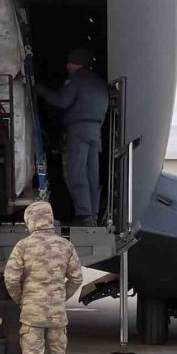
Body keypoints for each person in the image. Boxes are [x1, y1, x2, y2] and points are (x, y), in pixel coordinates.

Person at [3, 201, 83, 354]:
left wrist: (23, 299)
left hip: (31, 314)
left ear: (30, 220)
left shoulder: (23, 246)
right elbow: (76, 278)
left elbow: (11, 279)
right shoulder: (65, 246)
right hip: (57, 315)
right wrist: (60, 297)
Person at [35, 48, 109, 226]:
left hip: (78, 130)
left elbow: (62, 101)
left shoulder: (76, 79)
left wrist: (43, 92)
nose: (67, 66)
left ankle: (83, 215)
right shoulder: (99, 82)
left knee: (76, 172)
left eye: (71, 63)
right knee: (92, 175)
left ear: (78, 64)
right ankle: (92, 215)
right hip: (96, 131)